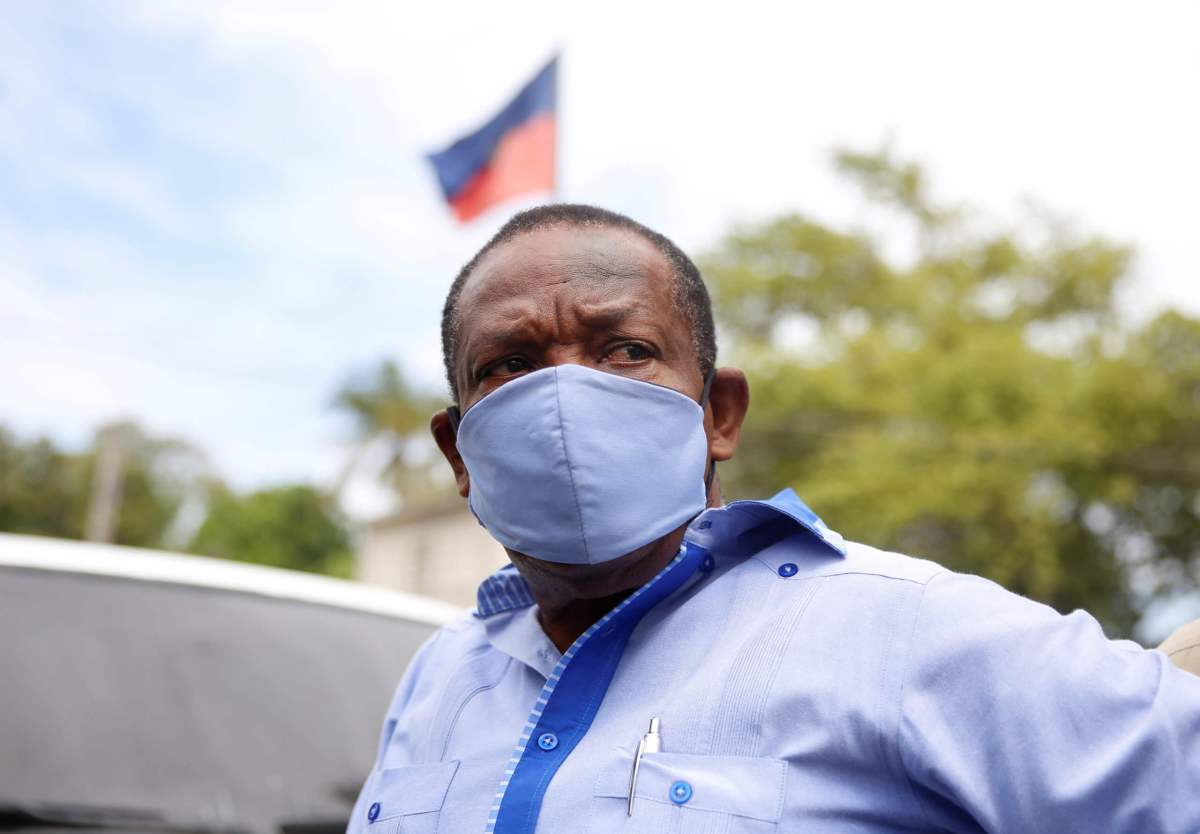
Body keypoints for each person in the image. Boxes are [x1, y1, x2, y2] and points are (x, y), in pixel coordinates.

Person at [347, 204, 1200, 834]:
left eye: (627, 350)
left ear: (719, 415)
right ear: (459, 452)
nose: (567, 396)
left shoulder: (904, 630)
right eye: (512, 364)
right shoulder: (441, 676)